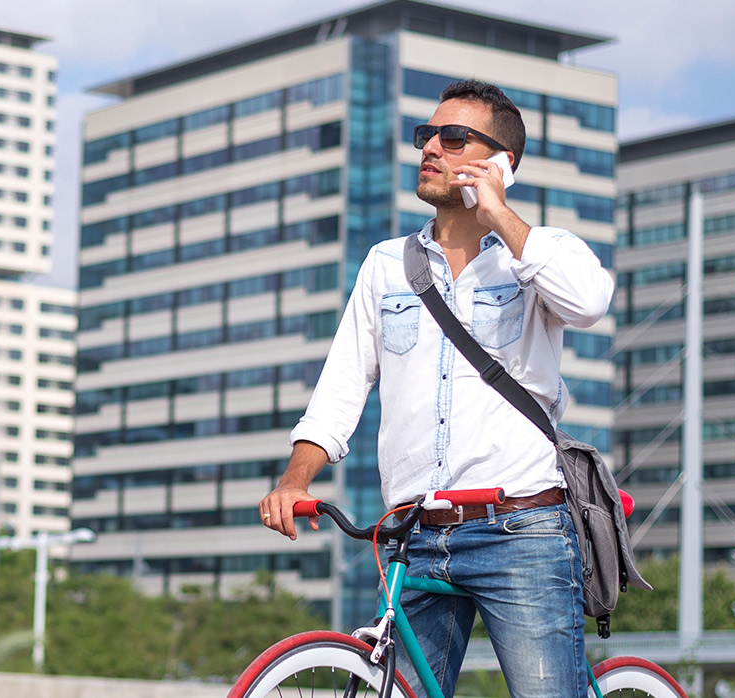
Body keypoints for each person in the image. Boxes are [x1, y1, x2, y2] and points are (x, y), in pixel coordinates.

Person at [259, 78, 613, 698]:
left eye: (453, 139)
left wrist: (498, 213)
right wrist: (295, 479)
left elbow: (590, 302)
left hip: (521, 529)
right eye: (427, 136)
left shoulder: (538, 256)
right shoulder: (385, 265)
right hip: (414, 536)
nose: (430, 149)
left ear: (501, 161)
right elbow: (341, 386)